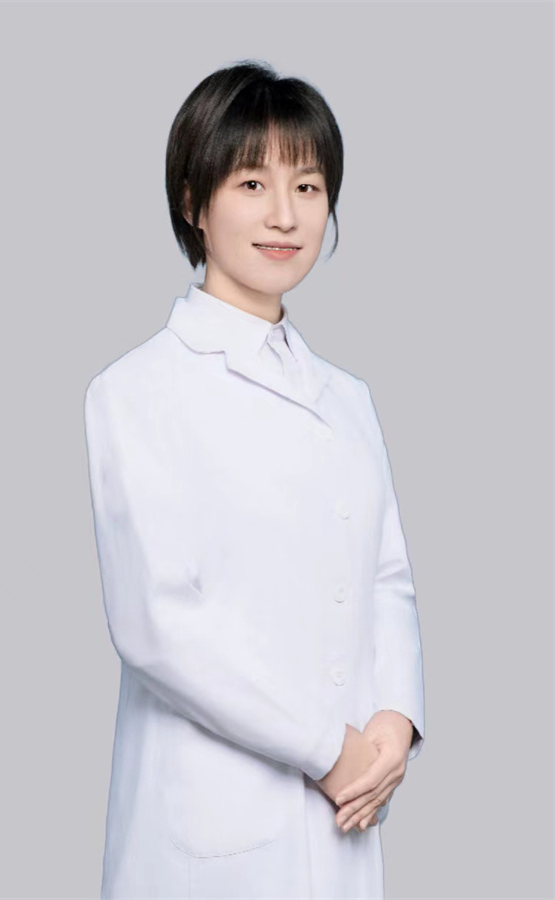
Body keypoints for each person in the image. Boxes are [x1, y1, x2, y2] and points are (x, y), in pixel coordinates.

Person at [84, 59, 425, 900]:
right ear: (193, 203)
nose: (285, 215)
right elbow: (159, 622)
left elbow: (386, 580)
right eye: (251, 183)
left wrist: (394, 721)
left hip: (343, 820)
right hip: (207, 832)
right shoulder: (137, 391)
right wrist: (328, 748)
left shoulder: (347, 398)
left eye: (308, 187)